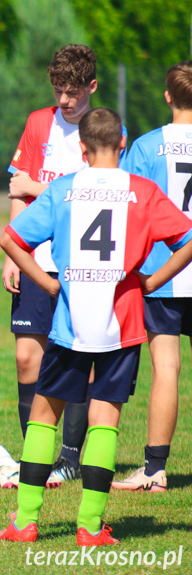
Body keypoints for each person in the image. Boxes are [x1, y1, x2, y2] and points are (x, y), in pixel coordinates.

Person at [0, 107, 192, 546]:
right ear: (123, 144)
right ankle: (89, 527)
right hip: (121, 323)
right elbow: (187, 239)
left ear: (81, 149)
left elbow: (11, 239)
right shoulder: (142, 192)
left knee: (44, 415)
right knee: (105, 420)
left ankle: (25, 521)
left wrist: (47, 281)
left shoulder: (63, 189)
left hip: (69, 321)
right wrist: (153, 281)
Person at [4, 45, 106, 488]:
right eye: (58, 91)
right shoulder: (37, 122)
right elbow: (17, 189)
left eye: (72, 92)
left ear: (91, 87)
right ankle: (36, 459)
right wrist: (13, 252)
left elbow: (96, 187)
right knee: (28, 358)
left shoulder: (101, 129)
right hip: (36, 259)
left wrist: (36, 183)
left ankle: (69, 457)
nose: (64, 100)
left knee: (78, 360)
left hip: (85, 265)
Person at [113, 61, 192, 491]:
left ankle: (155, 470)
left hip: (162, 275)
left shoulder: (145, 147)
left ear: (168, 96)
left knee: (167, 368)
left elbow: (130, 212)